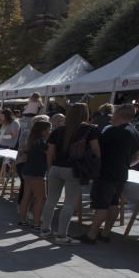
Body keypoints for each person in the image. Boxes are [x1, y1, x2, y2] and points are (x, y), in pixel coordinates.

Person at [79, 104, 139, 244]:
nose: (111, 117)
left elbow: (97, 151)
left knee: (102, 205)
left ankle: (91, 235)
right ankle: (105, 233)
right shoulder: (136, 132)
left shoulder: (112, 132)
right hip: (121, 173)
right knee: (114, 203)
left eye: (113, 114)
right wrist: (127, 165)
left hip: (106, 172)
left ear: (120, 116)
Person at [40, 102, 101, 245]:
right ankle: (62, 235)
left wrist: (50, 169)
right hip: (75, 169)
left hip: (56, 168)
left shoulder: (58, 131)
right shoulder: (90, 130)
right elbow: (97, 152)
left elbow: (50, 152)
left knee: (51, 200)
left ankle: (45, 230)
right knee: (69, 203)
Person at [17, 119, 51, 229]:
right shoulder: (42, 142)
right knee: (41, 198)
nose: (50, 132)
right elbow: (50, 154)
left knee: (27, 196)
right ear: (44, 131)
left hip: (27, 171)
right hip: (37, 173)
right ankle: (36, 223)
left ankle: (23, 220)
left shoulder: (31, 140)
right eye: (48, 129)